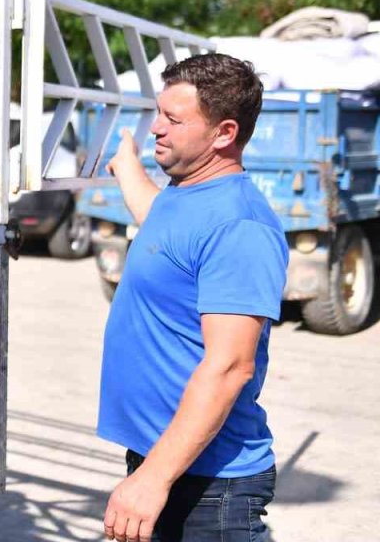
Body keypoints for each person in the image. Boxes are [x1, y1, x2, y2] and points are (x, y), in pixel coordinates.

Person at [100, 53, 286, 542]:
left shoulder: (239, 225)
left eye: (174, 119)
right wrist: (125, 168)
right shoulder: (185, 195)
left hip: (209, 488)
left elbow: (230, 367)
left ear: (224, 133)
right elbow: (161, 226)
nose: (157, 128)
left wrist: (153, 479)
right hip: (165, 459)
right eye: (159, 113)